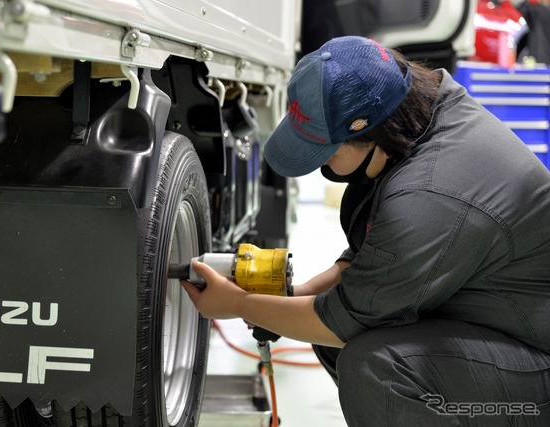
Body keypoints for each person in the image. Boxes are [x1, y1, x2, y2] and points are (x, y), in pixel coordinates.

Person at [181, 36, 550, 425]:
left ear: (372, 134)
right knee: (332, 332)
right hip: (499, 327)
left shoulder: (430, 194)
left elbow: (343, 318)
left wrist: (237, 305)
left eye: (327, 152)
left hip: (537, 372)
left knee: (375, 367)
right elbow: (374, 267)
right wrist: (295, 297)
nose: (323, 166)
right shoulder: (421, 112)